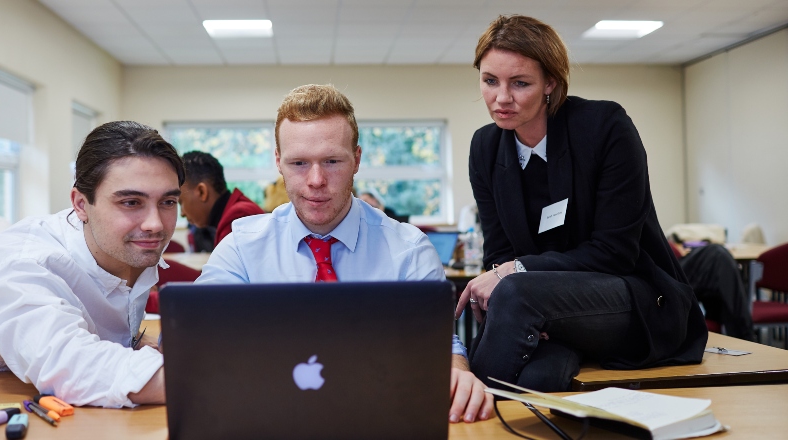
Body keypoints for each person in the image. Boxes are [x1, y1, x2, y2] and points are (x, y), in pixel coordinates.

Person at [197, 84, 493, 424]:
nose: (316, 180)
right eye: (298, 163)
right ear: (278, 162)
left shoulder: (409, 250)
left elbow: (440, 343)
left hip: (380, 416)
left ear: (357, 159)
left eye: (332, 161)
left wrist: (458, 374)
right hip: (268, 416)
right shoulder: (240, 248)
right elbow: (206, 340)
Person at [455, 15, 707, 392]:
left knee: (513, 292)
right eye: (490, 81)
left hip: (632, 296)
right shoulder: (485, 147)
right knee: (541, 375)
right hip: (542, 306)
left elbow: (614, 252)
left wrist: (517, 271)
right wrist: (511, 273)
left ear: (550, 84)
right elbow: (499, 250)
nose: (501, 97)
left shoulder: (604, 126)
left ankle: (463, 415)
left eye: (520, 83)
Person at [0, 121, 181, 407]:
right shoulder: (24, 259)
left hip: (78, 402)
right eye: (131, 202)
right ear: (81, 204)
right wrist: (212, 379)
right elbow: (68, 364)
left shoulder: (128, 244)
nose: (155, 224)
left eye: (168, 202)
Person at [179, 151, 264, 252]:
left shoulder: (238, 217)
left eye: (181, 202)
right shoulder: (234, 211)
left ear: (202, 192)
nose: (182, 213)